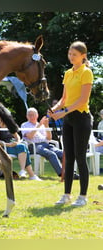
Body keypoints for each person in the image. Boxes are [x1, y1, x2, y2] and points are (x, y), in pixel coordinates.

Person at [49, 41, 93, 207]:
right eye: (70, 54)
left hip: (81, 118)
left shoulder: (86, 72)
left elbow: (83, 100)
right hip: (68, 119)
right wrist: (54, 109)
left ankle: (82, 196)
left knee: (80, 157)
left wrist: (63, 111)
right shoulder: (67, 73)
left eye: (74, 54)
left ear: (83, 56)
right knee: (68, 157)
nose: (71, 57)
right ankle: (66, 195)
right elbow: (64, 99)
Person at [21, 107, 63, 177]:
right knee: (51, 154)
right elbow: (30, 136)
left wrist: (46, 126)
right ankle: (62, 174)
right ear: (26, 116)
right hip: (34, 146)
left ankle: (71, 172)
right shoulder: (24, 125)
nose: (31, 116)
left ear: (37, 115)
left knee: (62, 153)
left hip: (46, 144)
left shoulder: (41, 125)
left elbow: (49, 138)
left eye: (33, 115)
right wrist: (38, 125)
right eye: (29, 115)